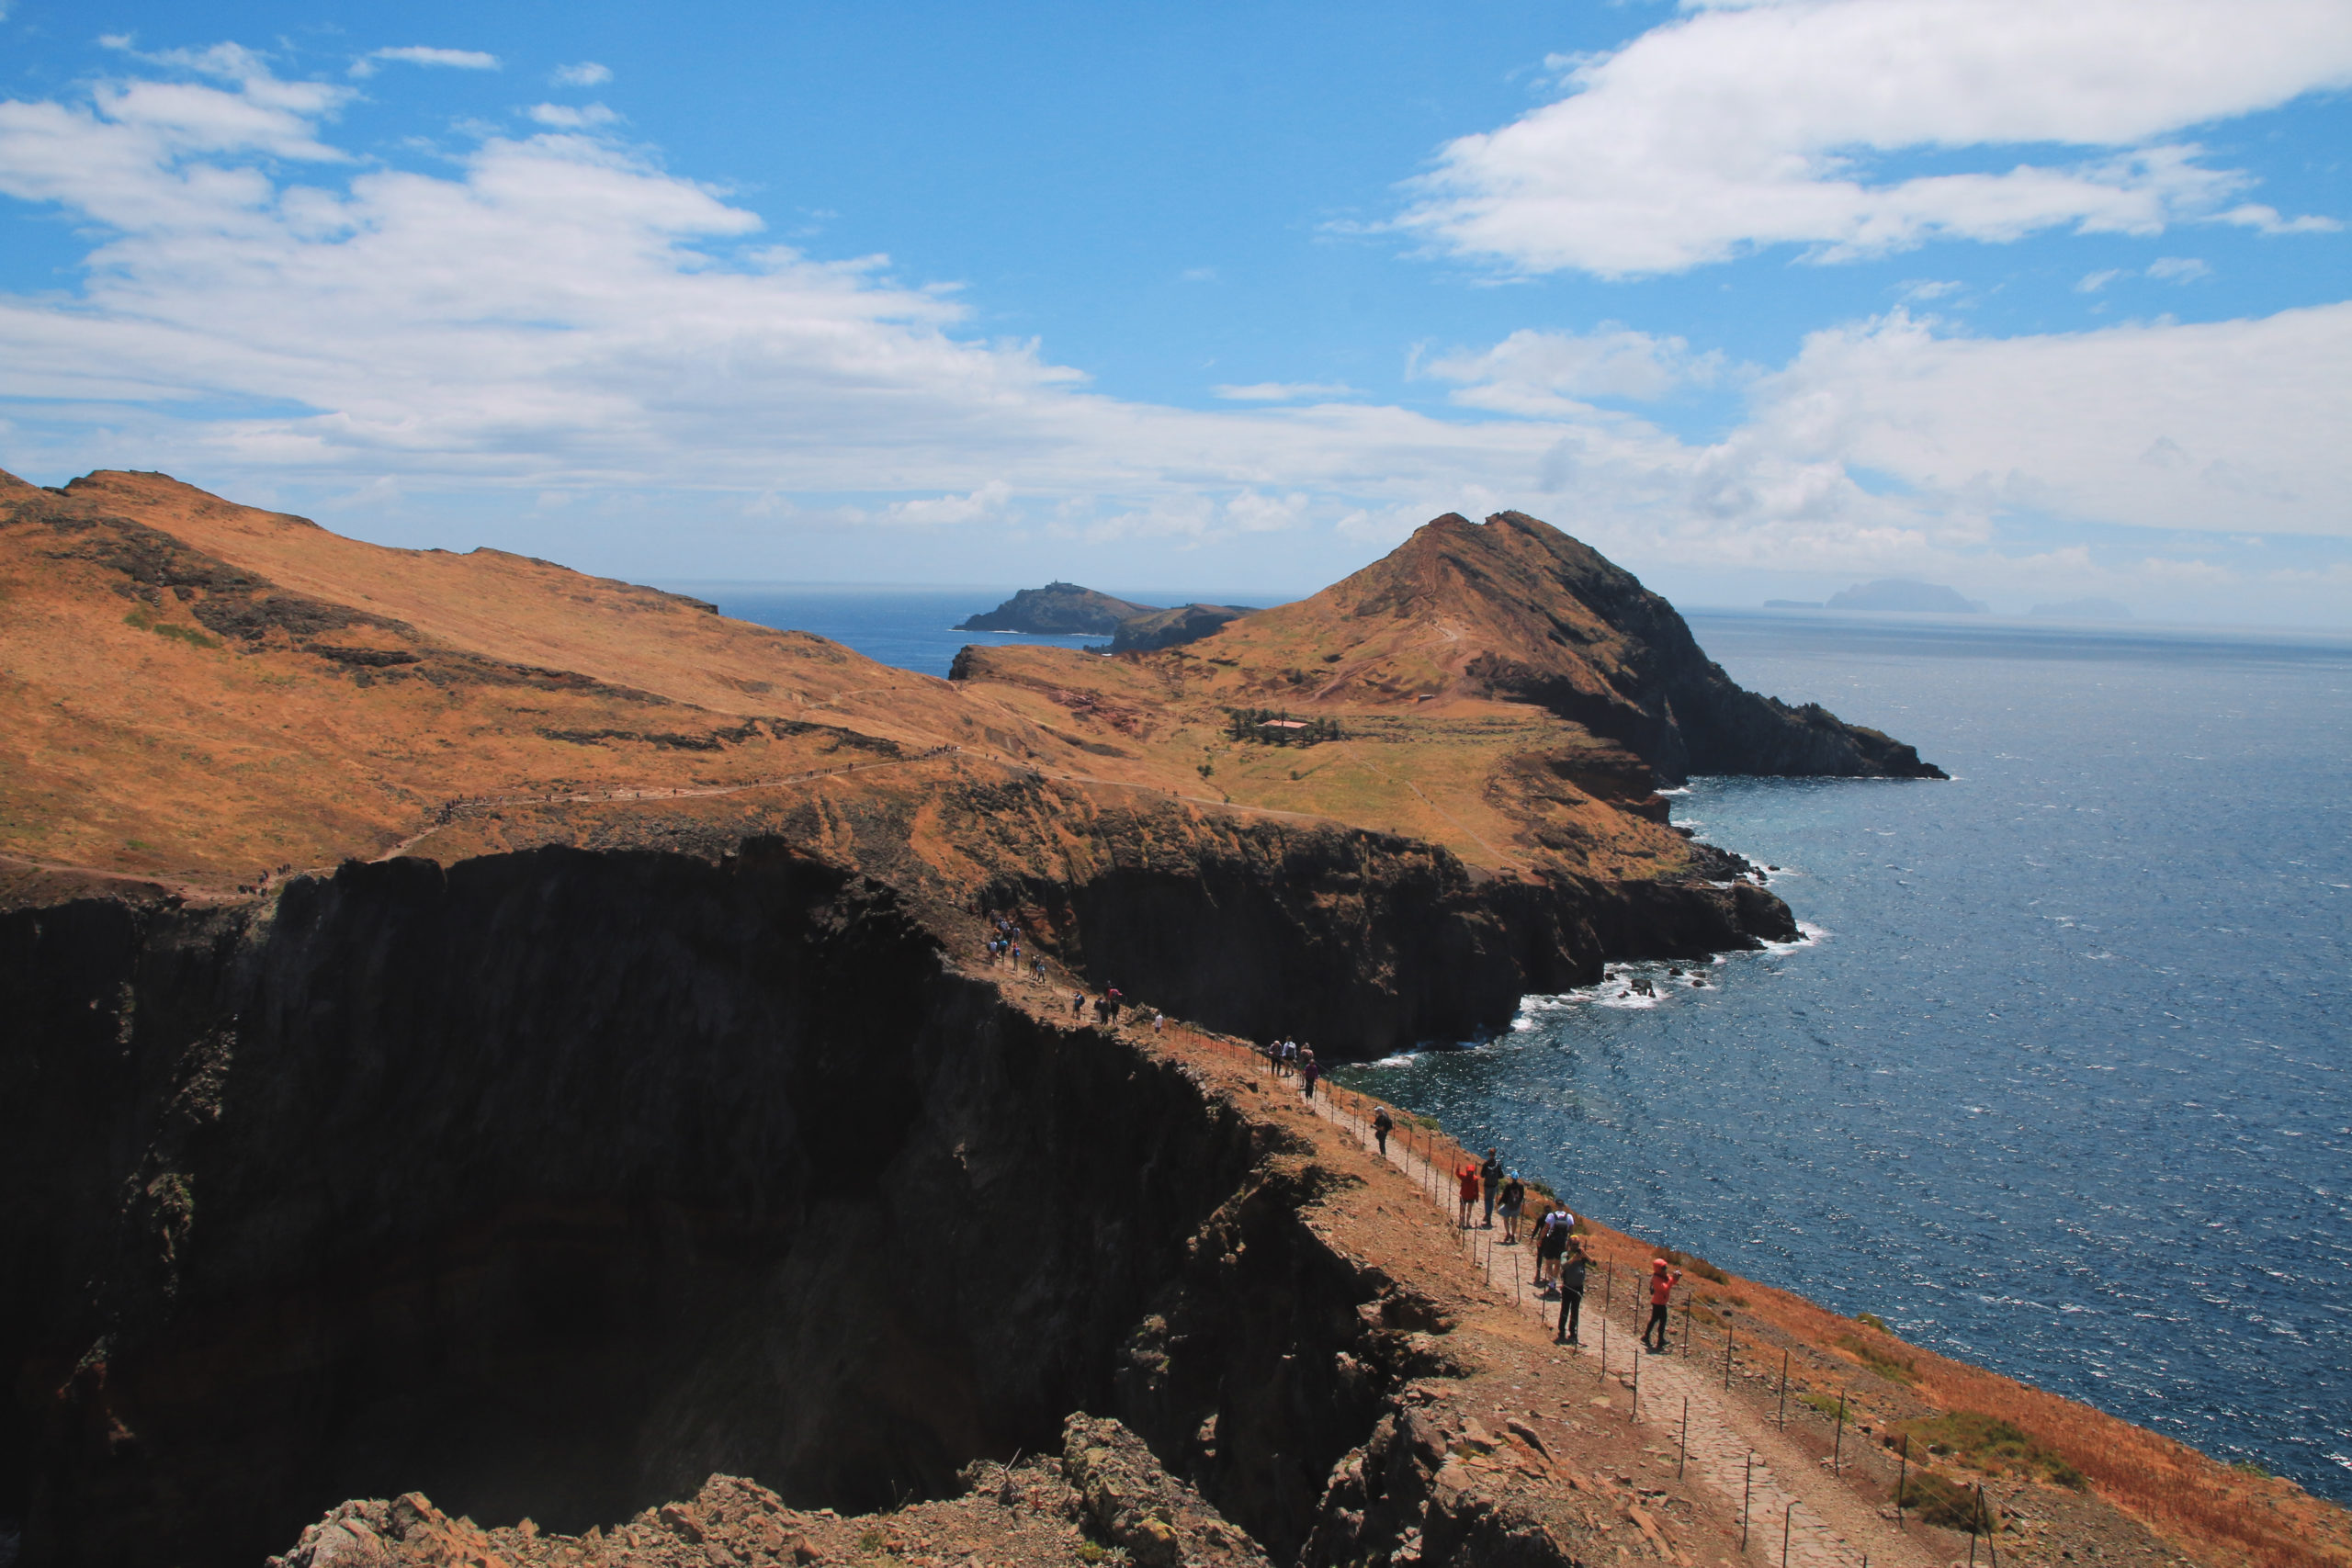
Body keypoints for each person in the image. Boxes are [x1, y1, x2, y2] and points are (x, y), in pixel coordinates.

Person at [1555, 1234, 1589, 1345]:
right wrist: (1573, 1259)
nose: (1575, 1247)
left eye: (1577, 1244)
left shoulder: (1581, 1256)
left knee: (1575, 1311)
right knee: (1565, 1309)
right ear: (1569, 1245)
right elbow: (1563, 1266)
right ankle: (1561, 1330)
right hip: (1567, 1287)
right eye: (1574, 1244)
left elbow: (1593, 1263)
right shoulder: (1565, 1254)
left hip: (1578, 1287)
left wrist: (1586, 1255)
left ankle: (1573, 1331)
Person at [1645, 1258, 1683, 1353]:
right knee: (1661, 1320)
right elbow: (1665, 1288)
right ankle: (1659, 1340)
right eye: (1663, 1267)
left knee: (1655, 1320)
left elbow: (1671, 1282)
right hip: (1658, 1303)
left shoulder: (1663, 1276)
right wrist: (1671, 1280)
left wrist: (1675, 1278)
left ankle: (1647, 1336)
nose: (1665, 1269)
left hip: (1661, 1303)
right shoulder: (1657, 1278)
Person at [1534, 1204, 1571, 1294]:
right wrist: (1568, 1246)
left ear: (1556, 1206)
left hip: (1551, 1243)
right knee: (1557, 1265)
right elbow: (1571, 1233)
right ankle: (1554, 1282)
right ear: (1563, 1206)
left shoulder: (1551, 1216)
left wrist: (1540, 1239)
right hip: (1561, 1244)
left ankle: (1551, 1284)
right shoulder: (1569, 1217)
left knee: (1549, 1264)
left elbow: (1545, 1229)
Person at [1498, 1173, 1526, 1244]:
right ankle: (1513, 1236)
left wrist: (1499, 1203)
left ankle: (1508, 1233)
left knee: (1506, 1220)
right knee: (1514, 1221)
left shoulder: (1509, 1186)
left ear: (1512, 1178)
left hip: (1508, 1206)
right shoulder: (1521, 1186)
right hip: (1516, 1206)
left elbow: (1504, 1196)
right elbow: (1521, 1197)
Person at [1479, 1149, 1504, 1229]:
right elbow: (1501, 1176)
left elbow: (1482, 1175)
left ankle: (1487, 1215)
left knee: (1487, 1200)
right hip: (1494, 1185)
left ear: (1489, 1154)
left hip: (1487, 1185)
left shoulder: (1486, 1164)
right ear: (1495, 1154)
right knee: (1492, 1200)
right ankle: (1489, 1215)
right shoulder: (1497, 1164)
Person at [1456, 1161, 1480, 1229]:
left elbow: (1477, 1189)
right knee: (1465, 1210)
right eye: (1469, 1172)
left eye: (1470, 1172)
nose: (1469, 1173)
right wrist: (1477, 1197)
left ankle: (1464, 1222)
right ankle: (1465, 1222)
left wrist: (1477, 1197)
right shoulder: (1475, 1178)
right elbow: (1477, 1189)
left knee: (1465, 1210)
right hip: (1468, 1196)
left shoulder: (1465, 1177)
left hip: (1466, 1196)